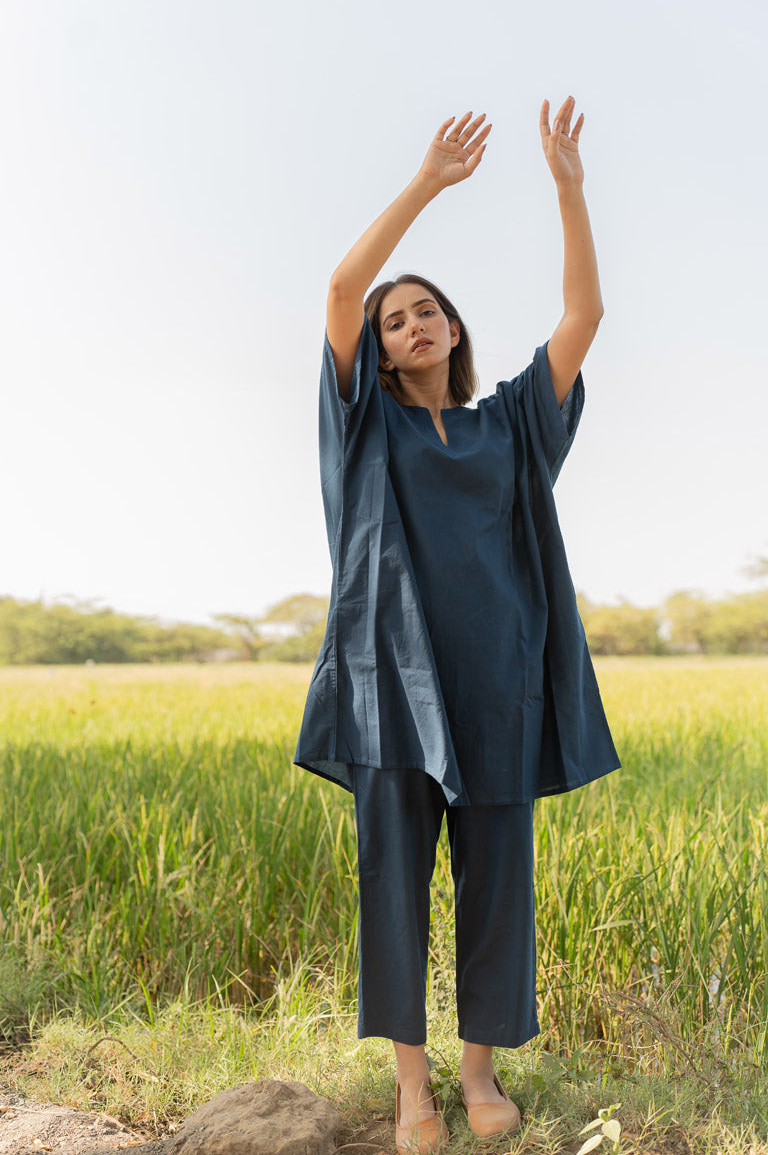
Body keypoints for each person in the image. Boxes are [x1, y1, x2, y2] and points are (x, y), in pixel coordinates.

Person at [294, 98, 620, 1153]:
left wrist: (566, 187)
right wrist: (429, 183)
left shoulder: (509, 424)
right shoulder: (361, 427)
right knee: (393, 886)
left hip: (498, 689)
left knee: (496, 891)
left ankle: (477, 1077)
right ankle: (411, 1093)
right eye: (396, 322)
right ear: (380, 354)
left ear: (453, 329)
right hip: (388, 687)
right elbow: (343, 287)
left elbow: (581, 320)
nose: (411, 322)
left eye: (426, 308)